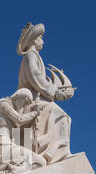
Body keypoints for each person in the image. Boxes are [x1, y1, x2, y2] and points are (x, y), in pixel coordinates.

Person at [17, 22, 75, 164]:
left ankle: (58, 152)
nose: (42, 41)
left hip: (39, 98)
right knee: (61, 115)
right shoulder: (31, 55)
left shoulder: (35, 56)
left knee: (64, 117)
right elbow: (35, 77)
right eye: (40, 38)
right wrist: (54, 92)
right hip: (32, 101)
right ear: (34, 39)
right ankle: (57, 154)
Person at [0, 88, 46, 173]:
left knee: (40, 162)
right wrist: (35, 113)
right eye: (26, 102)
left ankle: (15, 169)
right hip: (2, 144)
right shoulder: (3, 104)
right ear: (20, 96)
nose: (24, 106)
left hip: (7, 144)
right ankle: (15, 171)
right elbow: (20, 119)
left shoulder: (7, 106)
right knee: (39, 161)